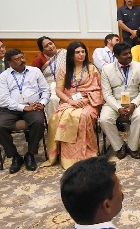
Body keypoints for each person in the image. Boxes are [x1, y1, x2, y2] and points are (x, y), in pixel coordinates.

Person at [43, 41, 104, 169]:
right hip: (69, 101)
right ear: (71, 55)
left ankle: (85, 154)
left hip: (89, 101)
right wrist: (70, 101)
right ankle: (67, 156)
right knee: (58, 117)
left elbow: (98, 89)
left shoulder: (91, 68)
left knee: (84, 116)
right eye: (77, 52)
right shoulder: (64, 69)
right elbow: (59, 90)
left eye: (83, 52)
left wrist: (86, 100)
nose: (81, 54)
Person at [0, 48, 50, 173]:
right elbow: (3, 100)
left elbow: (46, 90)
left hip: (33, 106)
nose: (22, 60)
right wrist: (23, 107)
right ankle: (15, 156)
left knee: (39, 123)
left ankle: (30, 154)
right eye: (17, 59)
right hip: (10, 109)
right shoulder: (4, 76)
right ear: (9, 62)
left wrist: (42, 103)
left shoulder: (35, 71)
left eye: (22, 57)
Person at [100, 42, 140, 160]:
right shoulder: (106, 70)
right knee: (104, 119)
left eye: (129, 53)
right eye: (125, 54)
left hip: (135, 100)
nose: (129, 56)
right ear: (116, 56)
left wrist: (134, 104)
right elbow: (107, 93)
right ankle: (119, 146)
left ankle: (133, 147)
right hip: (114, 102)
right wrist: (118, 108)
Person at [34, 36, 66, 117]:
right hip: (48, 85)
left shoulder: (64, 53)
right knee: (52, 99)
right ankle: (52, 123)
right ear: (42, 50)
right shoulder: (39, 59)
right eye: (46, 46)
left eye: (51, 44)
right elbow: (33, 76)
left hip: (65, 83)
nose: (50, 47)